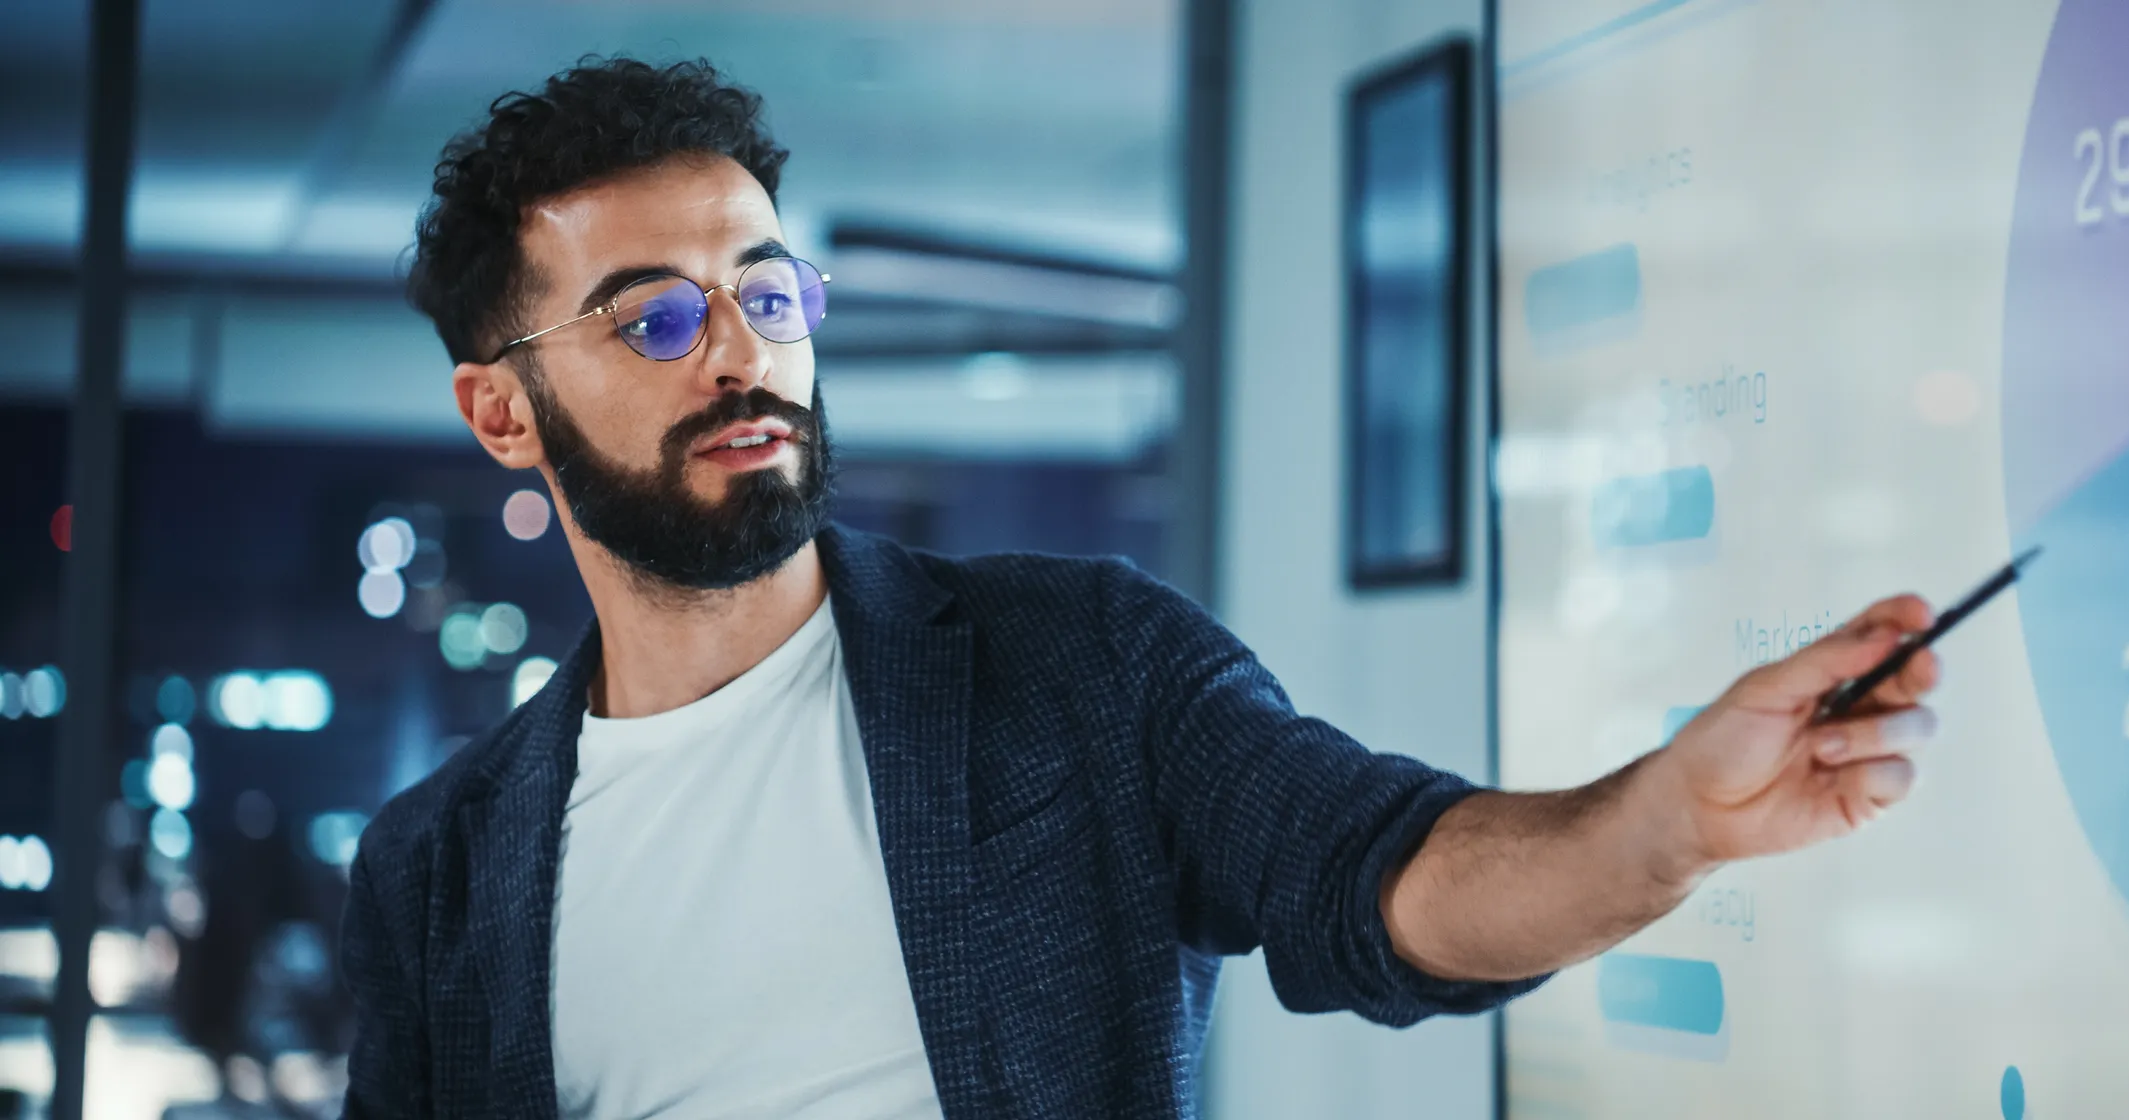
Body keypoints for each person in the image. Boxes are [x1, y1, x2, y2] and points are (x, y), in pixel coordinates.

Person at [340, 57, 1942, 1120]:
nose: (744, 355)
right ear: (503, 413)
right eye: (655, 321)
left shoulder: (1077, 662)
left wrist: (1662, 822)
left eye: (766, 292)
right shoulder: (439, 869)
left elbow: (1379, 873)